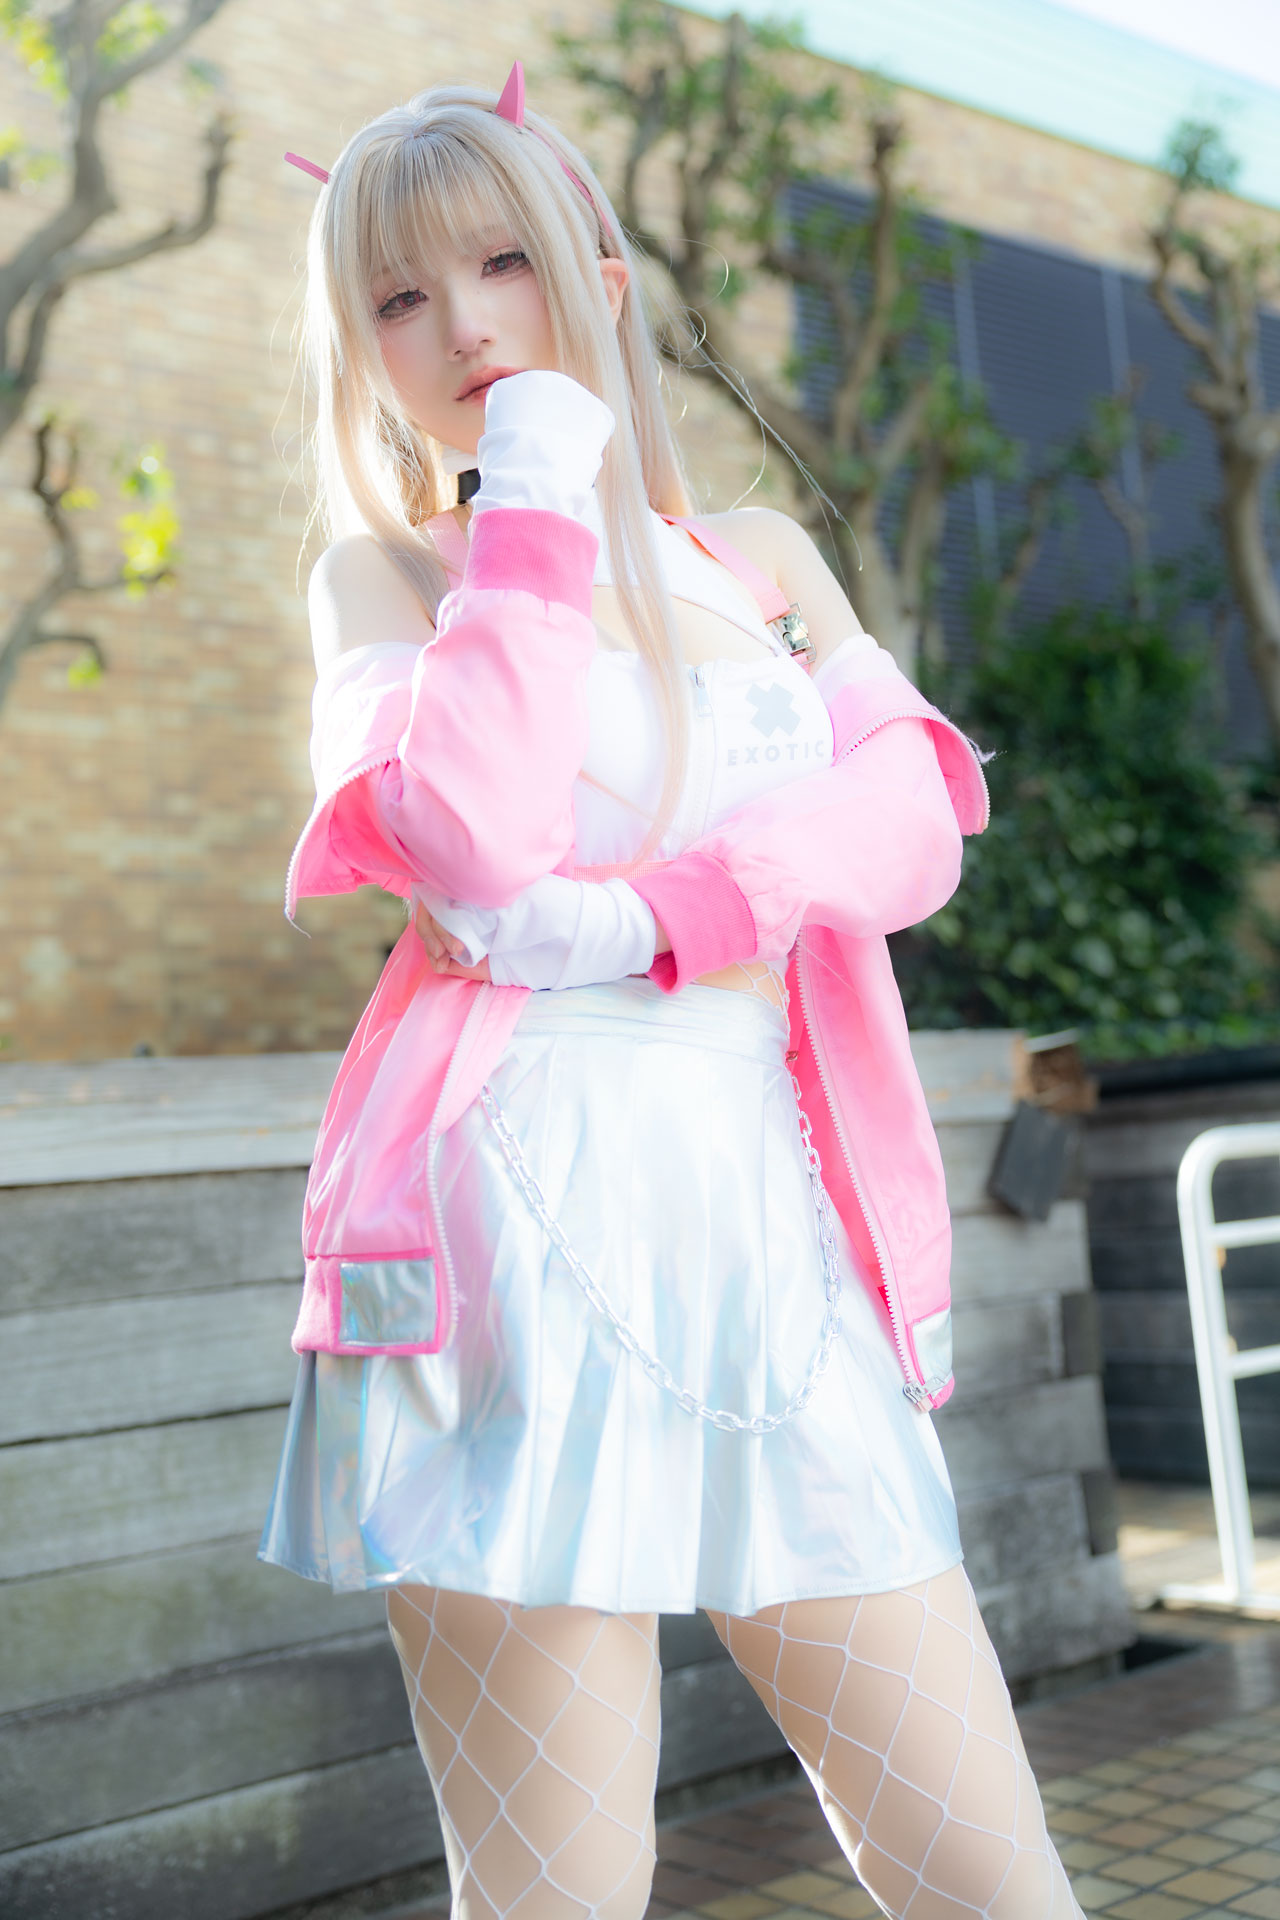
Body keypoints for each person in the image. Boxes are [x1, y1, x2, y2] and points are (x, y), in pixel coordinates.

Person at [260, 63, 1086, 1920]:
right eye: (399, 296)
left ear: (601, 278)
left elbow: (917, 821)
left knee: (989, 1876)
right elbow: (470, 833)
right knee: (556, 1892)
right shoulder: (382, 581)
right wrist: (538, 489)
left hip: (777, 1239)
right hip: (506, 1244)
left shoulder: (762, 561)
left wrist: (649, 920)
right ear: (364, 352)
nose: (466, 324)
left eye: (502, 263)